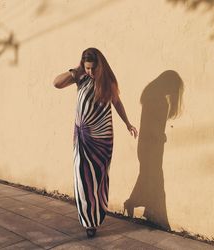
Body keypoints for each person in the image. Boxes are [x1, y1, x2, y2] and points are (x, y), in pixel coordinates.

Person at [53, 47, 138, 238]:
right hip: (82, 138)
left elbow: (116, 102)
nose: (90, 72)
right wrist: (76, 69)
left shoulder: (108, 82)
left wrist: (127, 123)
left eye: (93, 68)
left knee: (99, 178)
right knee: (82, 179)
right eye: (87, 67)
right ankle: (88, 221)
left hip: (103, 138)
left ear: (100, 65)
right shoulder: (80, 77)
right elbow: (56, 83)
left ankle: (96, 218)